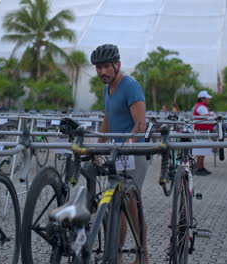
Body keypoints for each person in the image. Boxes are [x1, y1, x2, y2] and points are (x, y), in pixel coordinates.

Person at [89, 44, 149, 264]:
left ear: (117, 65)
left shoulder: (130, 86)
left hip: (133, 153)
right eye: (98, 68)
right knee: (116, 206)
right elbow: (107, 122)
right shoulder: (107, 89)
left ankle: (143, 255)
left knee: (132, 205)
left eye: (106, 66)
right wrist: (97, 147)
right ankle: (116, 254)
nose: (102, 72)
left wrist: (125, 145)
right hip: (117, 154)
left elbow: (140, 124)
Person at [192, 90, 214, 176]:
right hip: (202, 131)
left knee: (202, 150)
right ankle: (199, 168)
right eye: (207, 98)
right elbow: (207, 117)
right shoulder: (201, 107)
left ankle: (201, 167)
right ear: (202, 99)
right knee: (201, 150)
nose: (209, 100)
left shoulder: (200, 106)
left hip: (202, 130)